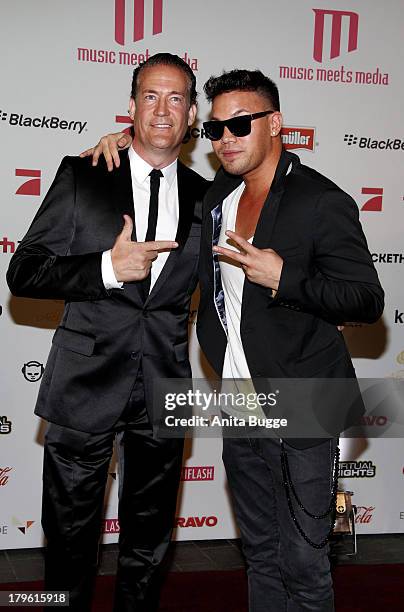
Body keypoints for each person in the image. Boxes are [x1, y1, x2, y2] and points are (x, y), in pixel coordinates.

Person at [82, 69, 384, 611]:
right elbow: (158, 170)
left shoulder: (320, 200)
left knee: (304, 562)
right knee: (262, 554)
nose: (226, 140)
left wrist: (285, 277)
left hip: (308, 399)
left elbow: (366, 299)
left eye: (240, 125)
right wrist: (122, 141)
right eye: (217, 129)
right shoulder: (218, 193)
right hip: (241, 400)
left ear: (275, 123)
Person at [7, 53, 209, 612]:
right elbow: (23, 273)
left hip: (164, 385)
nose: (162, 110)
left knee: (148, 541)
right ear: (131, 106)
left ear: (192, 114)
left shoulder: (206, 196)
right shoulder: (83, 174)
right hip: (84, 380)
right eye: (150, 96)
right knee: (69, 539)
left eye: (175, 99)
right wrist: (104, 268)